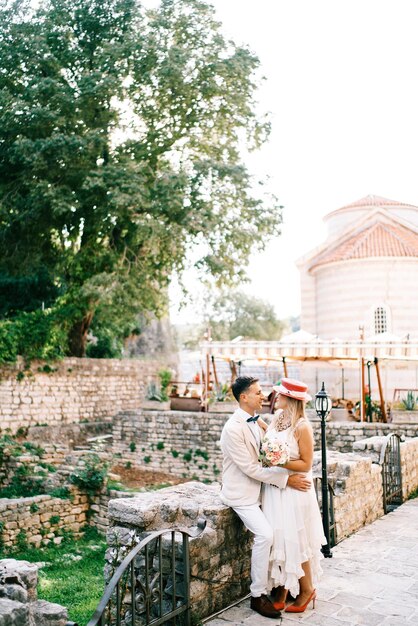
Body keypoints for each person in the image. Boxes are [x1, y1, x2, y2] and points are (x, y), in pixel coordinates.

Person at [219, 376, 311, 619]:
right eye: (259, 393)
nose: (264, 396)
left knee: (285, 535)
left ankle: (283, 589)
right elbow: (251, 468)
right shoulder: (232, 429)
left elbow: (273, 442)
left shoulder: (257, 420)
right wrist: (286, 479)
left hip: (264, 492)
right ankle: (257, 595)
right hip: (242, 495)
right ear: (244, 397)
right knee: (267, 534)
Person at [262, 377, 327, 614]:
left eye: (280, 394)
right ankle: (283, 588)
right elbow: (270, 440)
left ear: (290, 398)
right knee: (279, 538)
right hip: (276, 488)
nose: (275, 397)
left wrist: (279, 459)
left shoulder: (302, 426)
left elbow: (306, 463)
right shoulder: (277, 419)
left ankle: (307, 589)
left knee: (296, 540)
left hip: (294, 490)